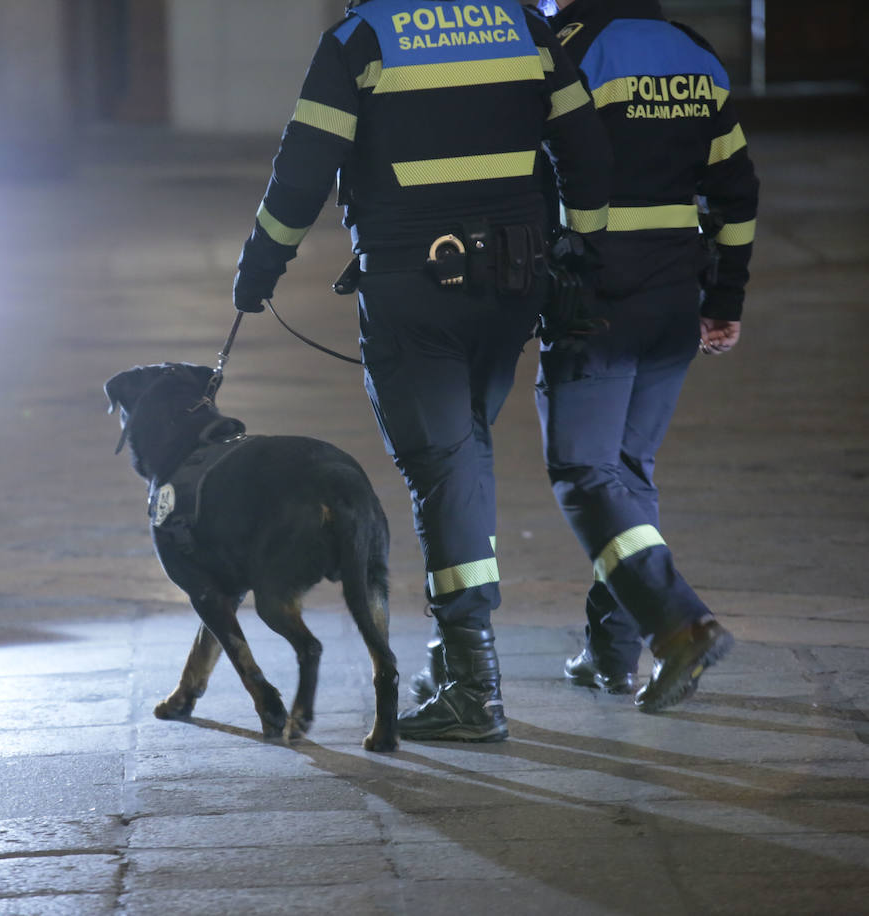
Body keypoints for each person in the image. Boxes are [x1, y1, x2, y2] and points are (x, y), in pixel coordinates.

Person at [233, 0, 611, 741]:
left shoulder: (363, 39)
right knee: (462, 454)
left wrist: (260, 268)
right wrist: (580, 250)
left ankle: (475, 684)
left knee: (445, 465)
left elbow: (302, 171)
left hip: (415, 290)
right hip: (512, 284)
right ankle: (454, 658)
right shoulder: (524, 27)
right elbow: (586, 151)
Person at [535, 0, 758, 710]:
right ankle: (611, 651)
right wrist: (726, 298)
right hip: (674, 299)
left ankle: (679, 624)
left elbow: (535, 169)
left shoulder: (566, 45)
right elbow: (737, 189)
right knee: (625, 471)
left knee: (583, 469)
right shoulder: (694, 51)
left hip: (596, 296)